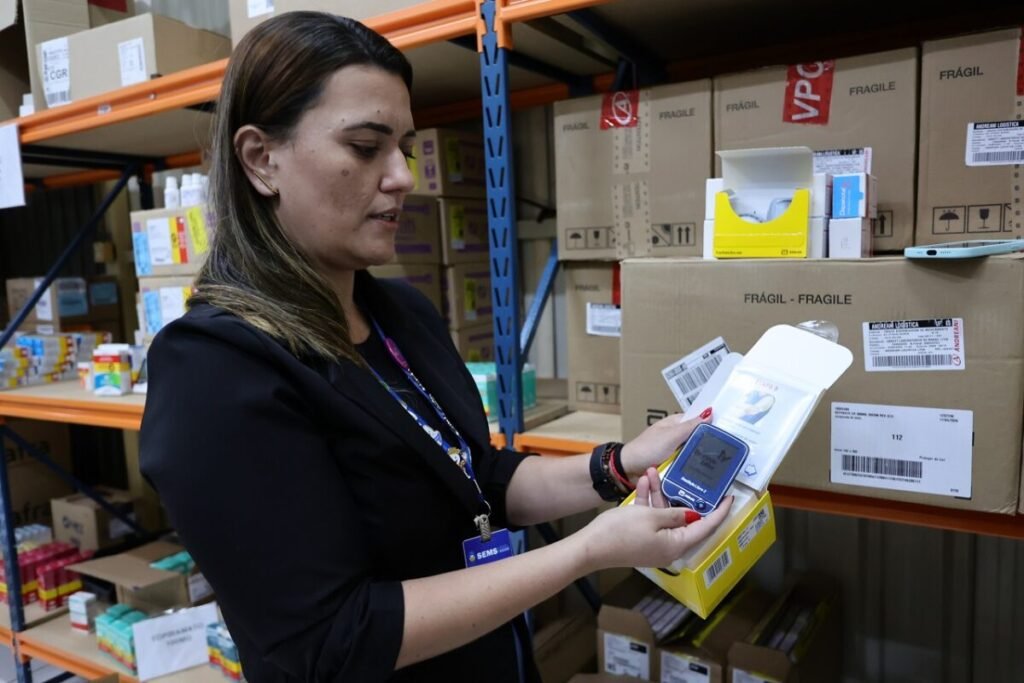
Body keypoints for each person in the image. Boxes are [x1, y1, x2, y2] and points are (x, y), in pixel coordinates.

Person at [139, 11, 732, 682]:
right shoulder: (214, 370)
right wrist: (585, 553)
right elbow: (331, 639)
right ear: (260, 159)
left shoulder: (401, 313)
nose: (402, 176)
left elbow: (476, 477)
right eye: (366, 146)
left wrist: (618, 464)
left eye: (404, 147)